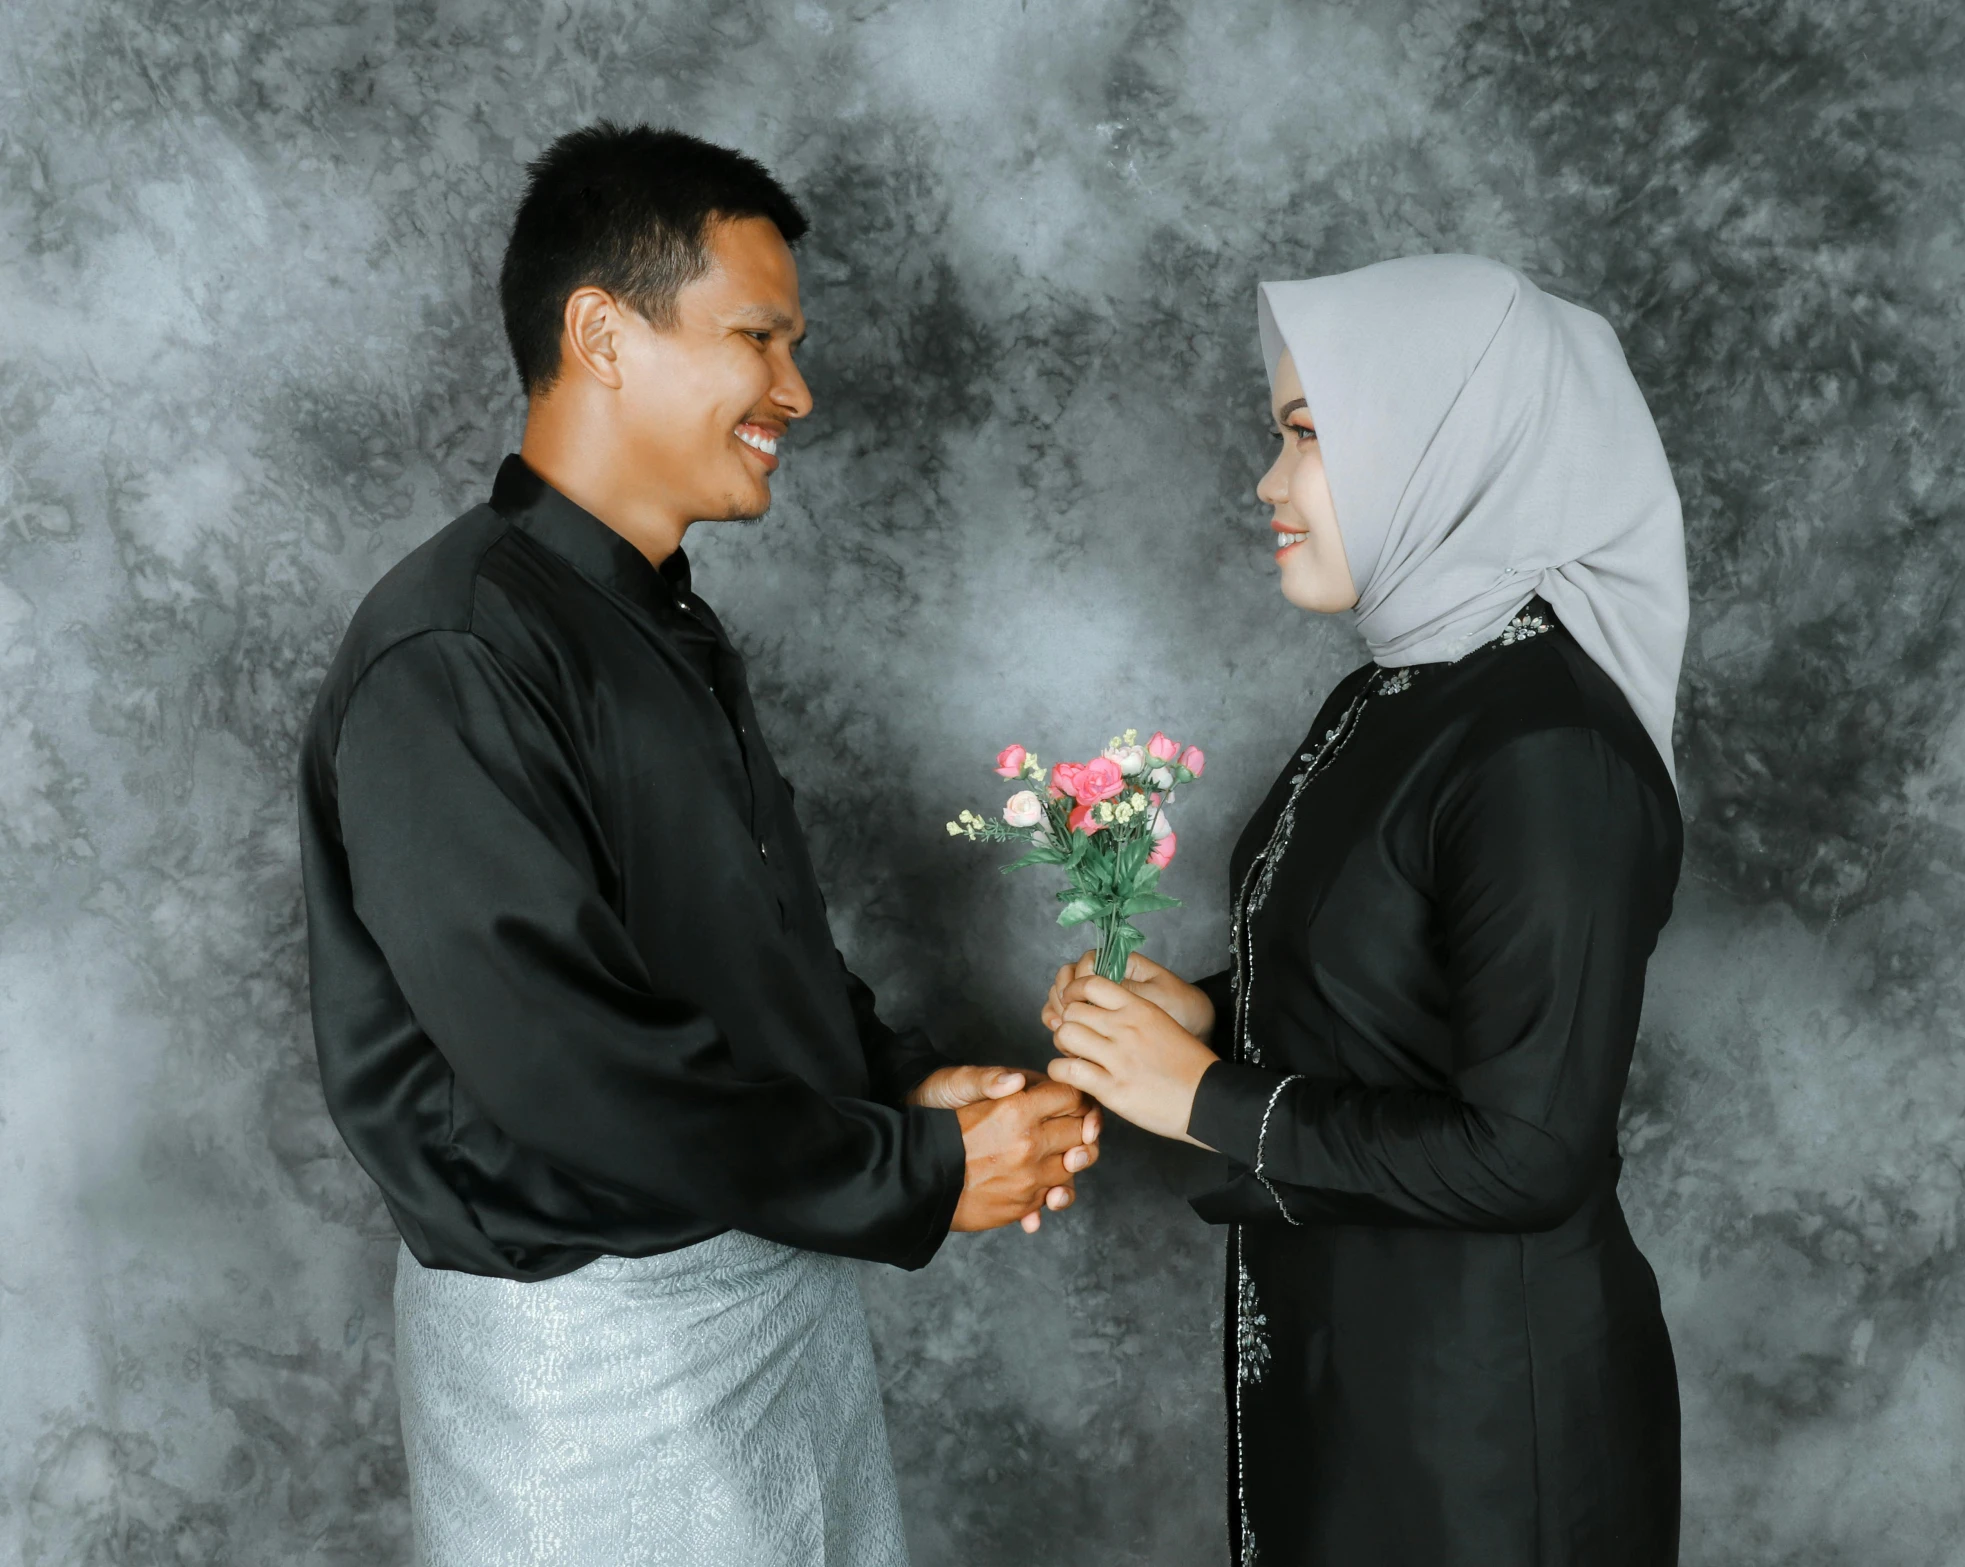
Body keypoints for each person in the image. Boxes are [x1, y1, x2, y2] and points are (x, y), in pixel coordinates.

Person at [296, 123, 1099, 1566]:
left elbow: (734, 952)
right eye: (757, 338)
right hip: (597, 1363)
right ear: (602, 332)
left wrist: (896, 1080)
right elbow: (566, 1072)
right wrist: (909, 1170)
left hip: (766, 1313)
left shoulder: (654, 617)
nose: (795, 388)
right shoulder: (457, 650)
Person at [1042, 254, 1689, 1565]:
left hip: (1482, 1427)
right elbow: (1397, 984)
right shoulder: (1395, 695)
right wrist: (1209, 1014)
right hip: (1364, 1370)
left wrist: (1203, 1095)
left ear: (1445, 449)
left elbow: (1525, 1147)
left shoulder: (1543, 747)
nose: (1268, 485)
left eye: (1305, 439)